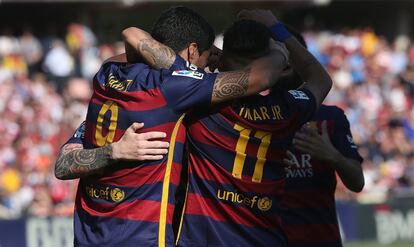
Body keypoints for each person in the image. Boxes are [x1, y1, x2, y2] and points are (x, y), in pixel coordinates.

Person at [55, 6, 288, 247]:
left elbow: (62, 166)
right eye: (207, 58)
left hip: (87, 237)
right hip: (140, 237)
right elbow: (261, 78)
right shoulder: (175, 88)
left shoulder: (107, 73)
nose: (207, 67)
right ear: (192, 50)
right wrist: (280, 46)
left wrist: (110, 152)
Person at [128, 9, 332, 246]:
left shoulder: (199, 106)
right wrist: (278, 31)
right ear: (275, 65)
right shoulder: (288, 109)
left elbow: (142, 51)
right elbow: (321, 79)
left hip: (201, 239)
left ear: (222, 60)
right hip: (265, 238)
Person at [280, 29, 364, 247]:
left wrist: (333, 156)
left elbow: (357, 183)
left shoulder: (331, 118)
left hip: (321, 240)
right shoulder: (256, 115)